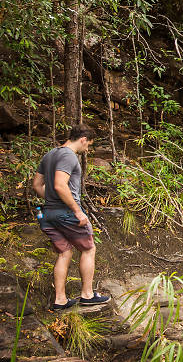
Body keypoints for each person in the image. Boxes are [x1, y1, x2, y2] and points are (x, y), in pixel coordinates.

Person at [32, 124, 110, 310]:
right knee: (88, 249)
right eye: (88, 145)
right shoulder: (68, 156)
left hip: (48, 213)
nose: (87, 149)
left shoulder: (50, 154)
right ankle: (87, 295)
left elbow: (37, 185)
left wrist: (52, 201)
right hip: (66, 214)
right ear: (83, 139)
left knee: (64, 252)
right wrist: (76, 210)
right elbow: (60, 185)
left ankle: (60, 300)